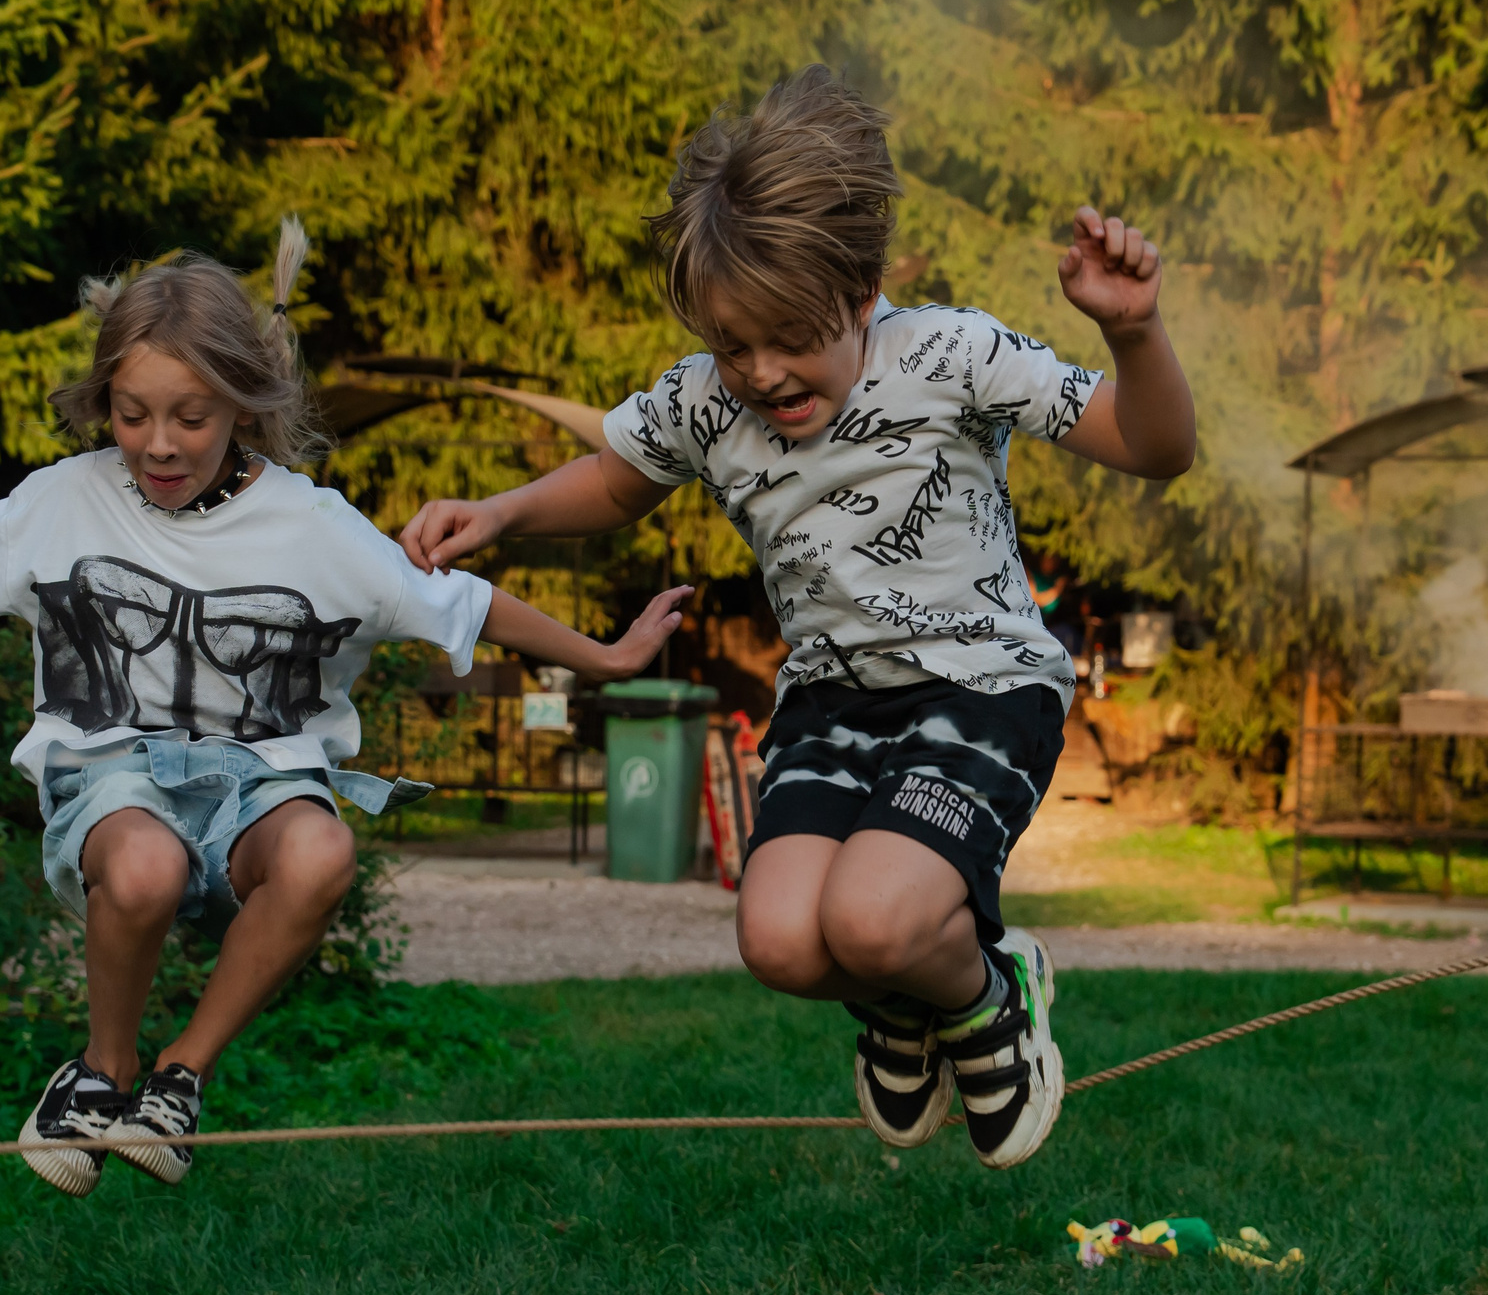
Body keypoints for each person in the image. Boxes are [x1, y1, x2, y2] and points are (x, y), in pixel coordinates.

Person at [0, 220, 692, 1197]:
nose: (159, 446)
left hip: (258, 790)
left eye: (190, 417)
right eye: (132, 416)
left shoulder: (313, 527)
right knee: (145, 863)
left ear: (238, 406)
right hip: (112, 782)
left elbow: (462, 604)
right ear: (103, 403)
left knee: (323, 851)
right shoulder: (66, 500)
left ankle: (178, 1080)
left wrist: (604, 656)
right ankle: (101, 1074)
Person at [396, 69, 1196, 1168]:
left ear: (862, 292)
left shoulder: (953, 356)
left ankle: (986, 991)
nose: (761, 372)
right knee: (779, 941)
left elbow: (1154, 450)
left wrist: (1138, 334)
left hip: (981, 686)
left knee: (874, 918)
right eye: (733, 345)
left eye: (788, 336)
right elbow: (618, 482)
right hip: (829, 702)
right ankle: (908, 1004)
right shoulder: (704, 397)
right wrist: (502, 513)